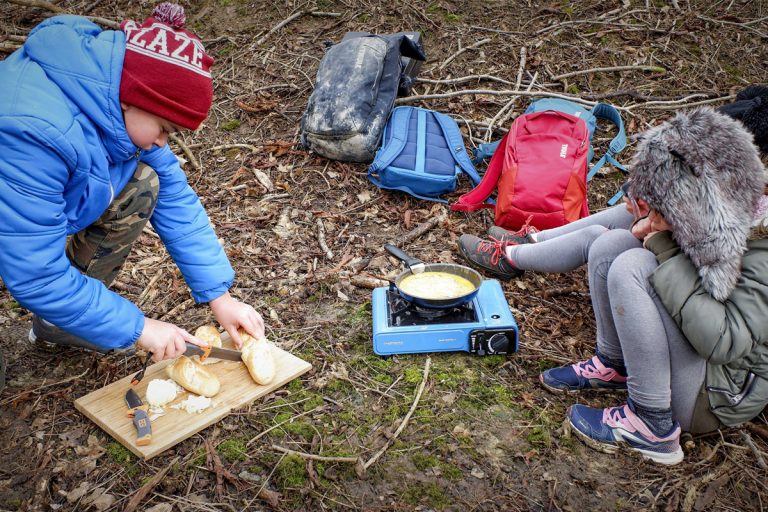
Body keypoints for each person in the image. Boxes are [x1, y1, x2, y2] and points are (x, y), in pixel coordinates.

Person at [0, 3, 265, 393]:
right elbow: (35, 273)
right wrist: (138, 327)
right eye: (165, 128)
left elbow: (175, 195)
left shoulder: (112, 100)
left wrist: (219, 296)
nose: (163, 142)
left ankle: (61, 324)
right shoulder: (31, 132)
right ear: (134, 97)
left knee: (144, 181)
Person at [539, 108, 766, 465]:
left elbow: (723, 341)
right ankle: (614, 364)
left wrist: (663, 242)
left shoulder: (761, 240)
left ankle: (652, 425)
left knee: (633, 266)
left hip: (716, 393)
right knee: (610, 246)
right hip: (698, 361)